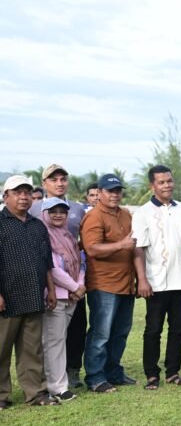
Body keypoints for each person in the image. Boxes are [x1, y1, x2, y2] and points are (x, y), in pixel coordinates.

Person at [132, 165, 181, 390]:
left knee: (178, 329)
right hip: (155, 281)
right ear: (152, 185)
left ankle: (173, 372)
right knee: (153, 330)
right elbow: (137, 249)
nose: (167, 185)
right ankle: (151, 374)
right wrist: (142, 280)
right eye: (161, 182)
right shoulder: (143, 212)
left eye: (169, 181)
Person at [0, 175, 58, 408]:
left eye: (26, 192)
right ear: (6, 197)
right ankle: (1, 396)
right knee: (1, 349)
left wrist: (51, 290)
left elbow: (47, 262)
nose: (23, 197)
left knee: (32, 350)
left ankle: (35, 394)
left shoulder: (37, 226)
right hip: (7, 298)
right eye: (17, 193)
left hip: (34, 295)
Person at [30, 164, 87, 389]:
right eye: (54, 179)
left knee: (76, 329)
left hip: (74, 282)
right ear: (45, 183)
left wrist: (79, 285)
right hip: (51, 284)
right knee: (49, 336)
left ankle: (71, 371)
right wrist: (72, 285)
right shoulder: (34, 209)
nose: (60, 183)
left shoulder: (77, 209)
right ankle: (50, 380)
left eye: (63, 179)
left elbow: (80, 250)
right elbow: (48, 261)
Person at [80, 173, 137, 393]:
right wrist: (120, 245)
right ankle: (95, 377)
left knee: (121, 331)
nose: (114, 195)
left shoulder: (125, 214)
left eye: (117, 191)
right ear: (100, 193)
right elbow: (92, 248)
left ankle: (113, 372)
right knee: (100, 333)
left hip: (125, 283)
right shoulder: (94, 216)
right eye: (109, 191)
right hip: (103, 284)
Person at [40, 197, 85, 402]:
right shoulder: (42, 236)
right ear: (44, 214)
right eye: (53, 211)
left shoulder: (67, 235)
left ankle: (57, 382)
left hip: (72, 297)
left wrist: (80, 286)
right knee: (54, 342)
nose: (58, 215)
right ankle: (57, 388)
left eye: (62, 211)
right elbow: (52, 268)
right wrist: (75, 287)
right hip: (55, 296)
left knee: (59, 341)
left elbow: (80, 262)